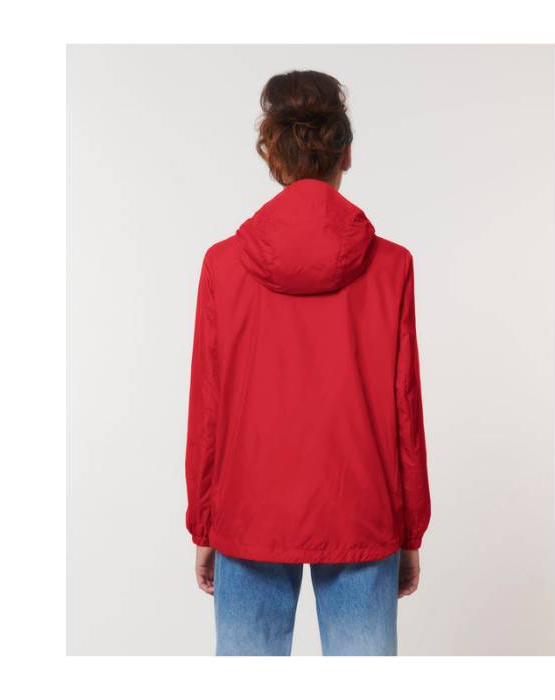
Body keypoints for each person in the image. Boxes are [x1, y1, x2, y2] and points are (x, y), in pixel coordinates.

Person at [185, 69, 430, 656]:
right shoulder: (391, 266)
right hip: (361, 511)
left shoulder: (223, 265)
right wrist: (409, 530)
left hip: (247, 510)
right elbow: (405, 407)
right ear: (346, 154)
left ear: (274, 157)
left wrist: (204, 522)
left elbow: (208, 407)